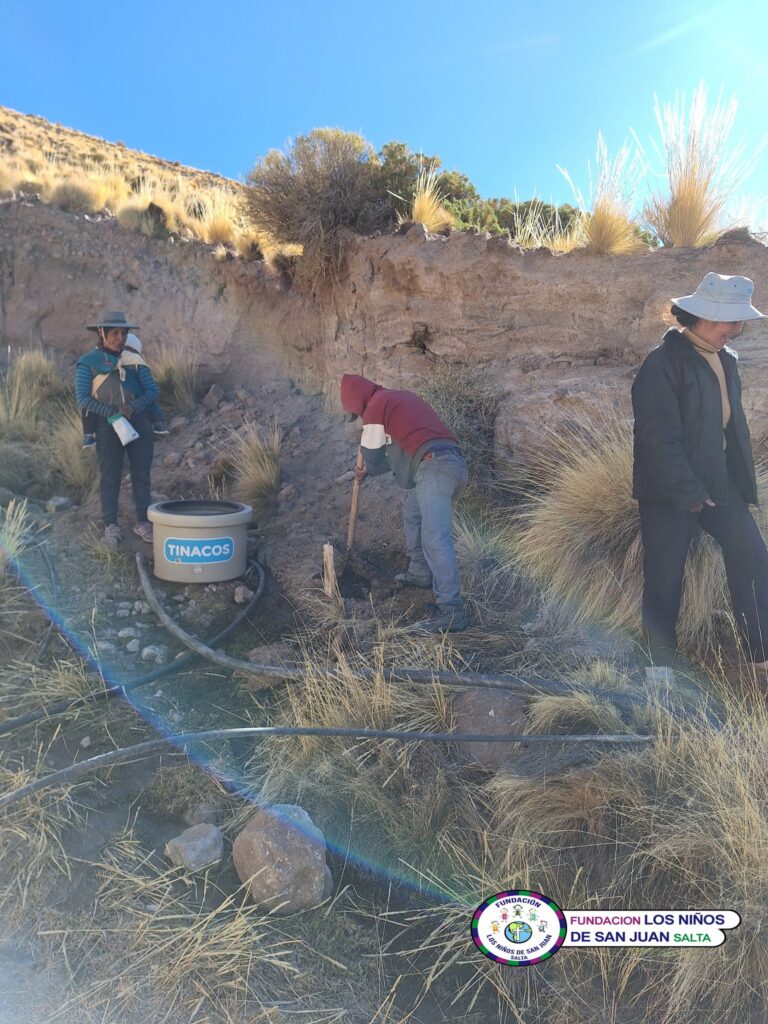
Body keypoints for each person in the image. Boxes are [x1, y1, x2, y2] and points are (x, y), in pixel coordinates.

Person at [632, 272, 768, 671]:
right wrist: (689, 491)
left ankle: (761, 656)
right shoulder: (661, 363)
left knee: (754, 560)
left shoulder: (727, 360)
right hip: (668, 490)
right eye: (732, 321)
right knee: (664, 577)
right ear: (707, 316)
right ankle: (658, 670)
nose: (736, 329)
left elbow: (729, 430)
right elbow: (657, 439)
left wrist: (738, 485)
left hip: (720, 484)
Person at [340, 373, 469, 633]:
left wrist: (365, 446)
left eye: (357, 414)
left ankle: (452, 610)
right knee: (412, 512)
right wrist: (369, 472)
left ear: (358, 401)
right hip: (448, 464)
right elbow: (401, 453)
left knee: (435, 537)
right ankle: (420, 571)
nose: (360, 418)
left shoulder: (376, 405)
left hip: (434, 468)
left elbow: (373, 454)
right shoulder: (397, 399)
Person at [76, 311, 159, 550]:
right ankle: (110, 524)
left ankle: (143, 522)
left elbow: (151, 391)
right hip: (107, 424)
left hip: (138, 421)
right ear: (102, 334)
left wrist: (133, 407)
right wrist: (110, 412)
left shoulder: (134, 360)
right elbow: (83, 398)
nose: (120, 338)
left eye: (123, 333)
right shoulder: (88, 362)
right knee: (110, 475)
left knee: (141, 474)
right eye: (114, 333)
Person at [81, 333, 168, 448]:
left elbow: (151, 391)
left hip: (126, 413)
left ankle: (88, 435)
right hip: (112, 416)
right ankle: (158, 423)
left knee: (148, 397)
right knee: (88, 406)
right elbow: (83, 397)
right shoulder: (94, 362)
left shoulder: (131, 363)